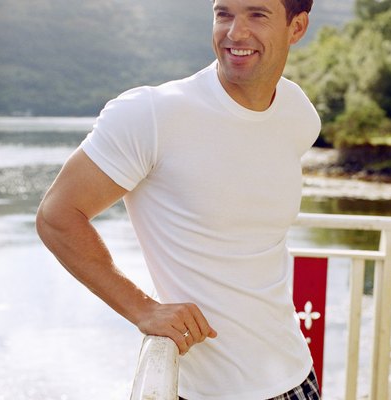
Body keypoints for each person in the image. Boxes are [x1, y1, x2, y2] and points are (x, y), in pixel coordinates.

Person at [35, 0, 320, 398]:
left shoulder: (298, 113)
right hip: (202, 390)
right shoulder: (152, 114)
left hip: (296, 378)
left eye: (257, 14)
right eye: (224, 14)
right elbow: (57, 215)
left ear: (297, 27)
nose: (235, 33)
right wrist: (142, 308)